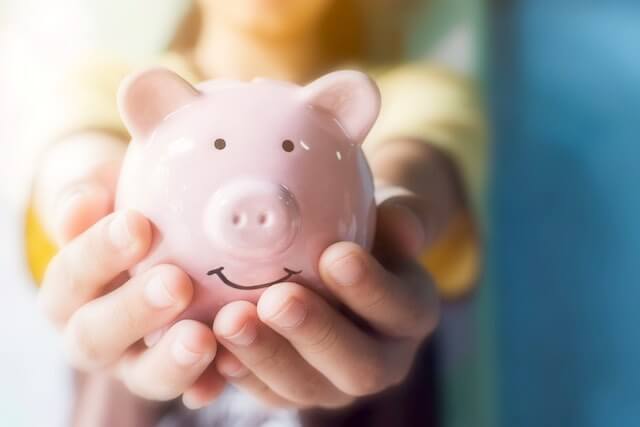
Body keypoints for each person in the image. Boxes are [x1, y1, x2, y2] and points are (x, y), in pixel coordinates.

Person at [27, 0, 486, 425]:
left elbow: (416, 158)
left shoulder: (414, 93)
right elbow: (78, 146)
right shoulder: (106, 83)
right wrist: (84, 194)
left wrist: (382, 204)